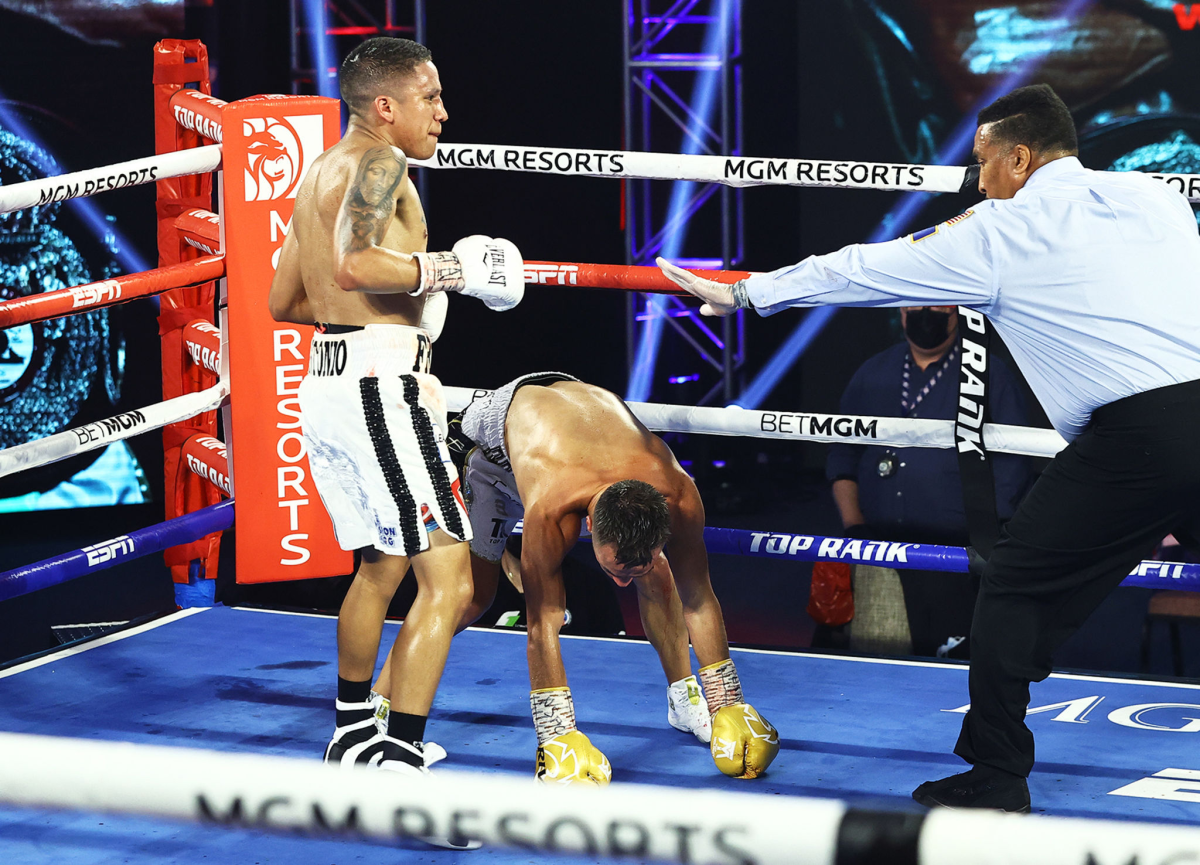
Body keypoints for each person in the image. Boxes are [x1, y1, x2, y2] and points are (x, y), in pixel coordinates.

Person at [659, 83, 1200, 812]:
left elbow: (862, 268)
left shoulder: (997, 232)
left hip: (1136, 440)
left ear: (1019, 157)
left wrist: (750, 292)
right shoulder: (1154, 197)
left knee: (1010, 586)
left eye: (983, 162)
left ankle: (997, 772)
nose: (978, 180)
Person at [267, 37, 525, 777]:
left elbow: (284, 301)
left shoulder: (322, 170)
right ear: (387, 106)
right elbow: (354, 264)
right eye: (430, 96)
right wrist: (450, 271)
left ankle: (352, 735)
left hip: (328, 382)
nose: (443, 112)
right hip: (380, 387)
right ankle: (398, 760)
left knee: (381, 567)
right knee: (452, 577)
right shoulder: (381, 163)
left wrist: (415, 291)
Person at [382, 372, 778, 784]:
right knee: (468, 598)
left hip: (576, 419)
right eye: (613, 570)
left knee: (658, 575)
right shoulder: (552, 512)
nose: (620, 585)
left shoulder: (678, 496)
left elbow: (699, 598)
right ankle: (379, 704)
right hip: (489, 454)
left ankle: (685, 699)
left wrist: (729, 703)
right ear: (589, 524)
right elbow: (543, 624)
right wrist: (558, 735)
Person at [821, 305, 1035, 657]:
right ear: (902, 310)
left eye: (936, 302)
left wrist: (986, 537)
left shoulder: (990, 375)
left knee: (957, 666)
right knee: (878, 663)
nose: (925, 313)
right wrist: (855, 530)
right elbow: (842, 455)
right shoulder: (874, 372)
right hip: (880, 550)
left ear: (957, 310)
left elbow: (1014, 464)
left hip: (959, 556)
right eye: (916, 303)